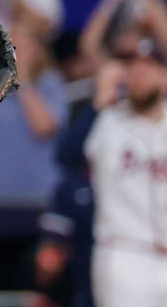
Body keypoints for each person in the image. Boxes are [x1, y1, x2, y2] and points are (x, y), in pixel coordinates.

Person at [85, 35, 167, 307]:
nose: (139, 75)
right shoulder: (107, 122)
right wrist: (100, 98)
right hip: (126, 255)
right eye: (132, 68)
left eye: (148, 67)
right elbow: (67, 156)